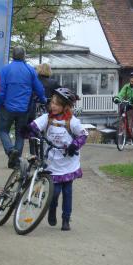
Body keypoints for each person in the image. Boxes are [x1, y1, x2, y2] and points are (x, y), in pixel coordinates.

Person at [22, 87, 88, 231]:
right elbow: (35, 126)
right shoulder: (47, 118)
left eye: (57, 104)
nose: (53, 106)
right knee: (55, 192)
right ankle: (52, 209)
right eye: (52, 102)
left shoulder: (73, 122)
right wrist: (27, 129)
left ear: (65, 107)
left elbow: (83, 135)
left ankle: (66, 219)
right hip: (53, 163)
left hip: (68, 163)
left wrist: (74, 145)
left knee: (67, 192)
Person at [0, 45, 46, 169]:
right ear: (24, 55)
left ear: (13, 55)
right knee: (20, 134)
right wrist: (43, 99)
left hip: (7, 107)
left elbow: (1, 90)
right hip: (24, 109)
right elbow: (39, 88)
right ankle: (16, 160)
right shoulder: (30, 70)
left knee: (3, 130)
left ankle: (10, 150)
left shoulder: (5, 70)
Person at [114, 71, 133, 147]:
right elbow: (121, 94)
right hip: (129, 103)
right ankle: (123, 121)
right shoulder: (126, 86)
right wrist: (117, 98)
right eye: (131, 78)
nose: (132, 79)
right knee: (122, 107)